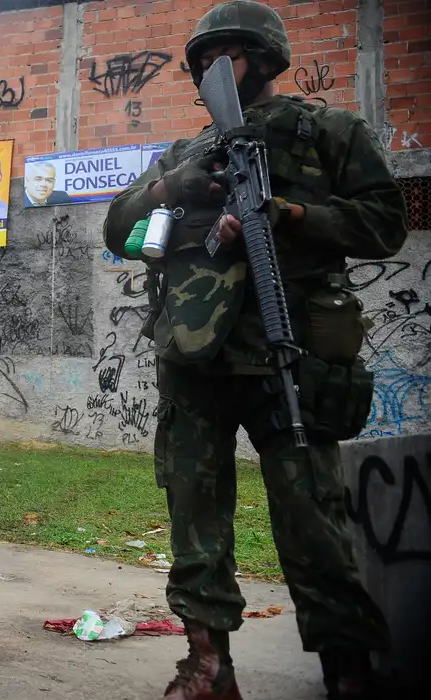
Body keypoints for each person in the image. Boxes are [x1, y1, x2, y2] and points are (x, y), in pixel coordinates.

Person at [102, 2, 408, 699]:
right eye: (203, 63)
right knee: (194, 515)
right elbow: (119, 231)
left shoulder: (328, 130)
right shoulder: (184, 154)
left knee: (313, 521)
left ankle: (348, 667)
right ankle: (208, 663)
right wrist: (169, 191)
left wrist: (290, 214)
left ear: (265, 58)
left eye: (226, 56)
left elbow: (384, 223)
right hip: (194, 356)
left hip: (289, 353)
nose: (213, 73)